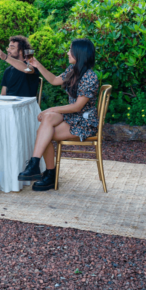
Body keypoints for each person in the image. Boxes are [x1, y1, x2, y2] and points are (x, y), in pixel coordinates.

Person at [18, 38, 99, 192]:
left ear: (79, 53)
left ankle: (49, 174)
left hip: (83, 122)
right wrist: (37, 64)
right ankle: (35, 164)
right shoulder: (73, 70)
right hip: (72, 117)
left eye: (70, 50)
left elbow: (77, 107)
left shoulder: (90, 77)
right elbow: (54, 80)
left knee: (45, 131)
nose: (67, 52)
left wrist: (51, 109)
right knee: (47, 122)